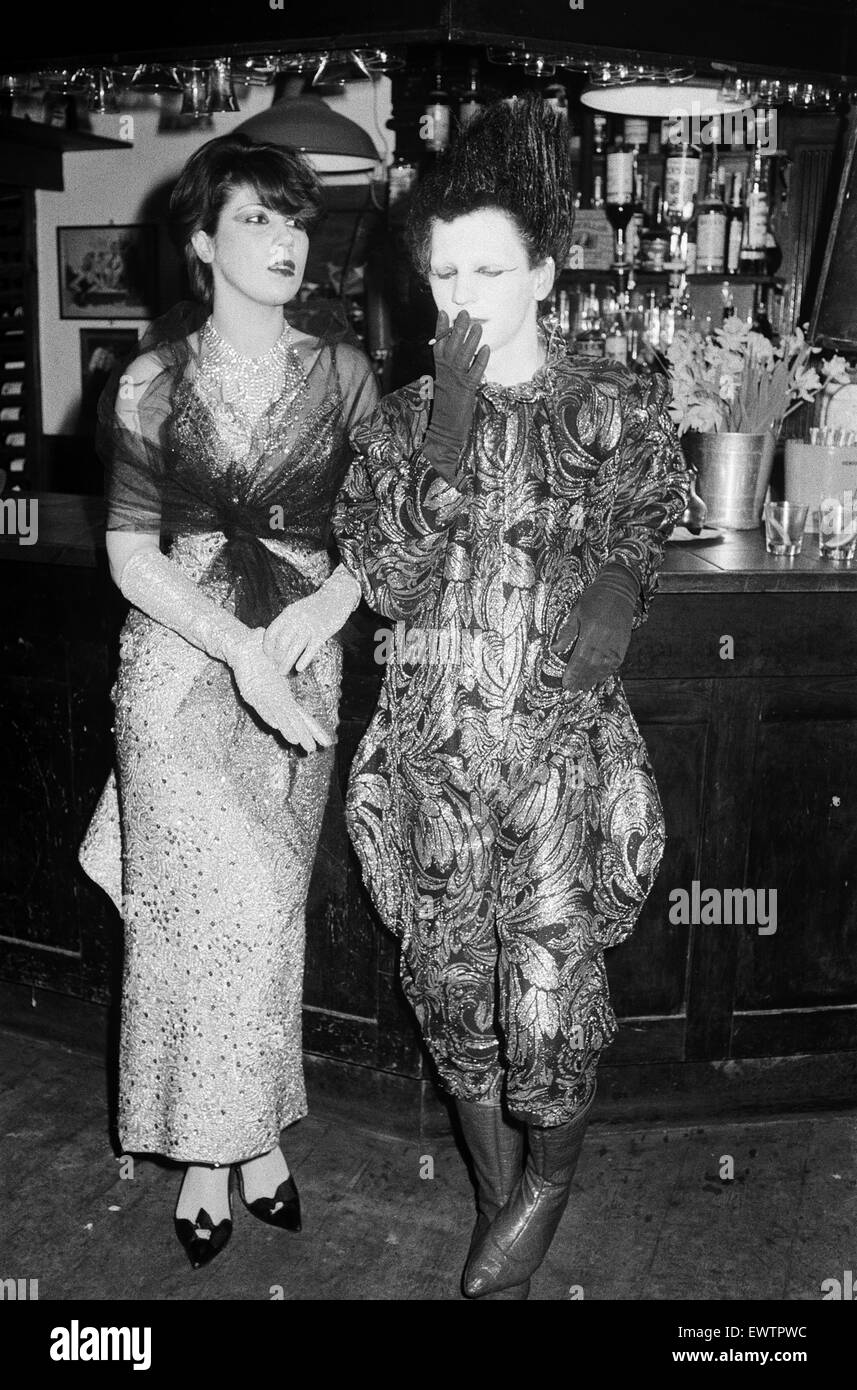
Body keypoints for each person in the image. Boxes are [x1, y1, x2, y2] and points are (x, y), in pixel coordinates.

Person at [332, 96, 689, 1300]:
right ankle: (500, 1197)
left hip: (551, 750)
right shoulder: (396, 422)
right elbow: (383, 575)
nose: (462, 292)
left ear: (541, 271)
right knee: (447, 992)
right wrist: (438, 434)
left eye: (488, 266)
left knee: (544, 995)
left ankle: (542, 1185)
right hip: (431, 749)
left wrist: (623, 588)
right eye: (442, 271)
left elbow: (649, 511)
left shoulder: (612, 403)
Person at [79, 133, 377, 1269]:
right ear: (201, 243)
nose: (285, 238)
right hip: (177, 663)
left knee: (264, 915)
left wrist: (325, 607)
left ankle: (252, 1130)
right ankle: (212, 1152)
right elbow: (125, 553)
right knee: (209, 914)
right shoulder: (153, 379)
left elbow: (374, 542)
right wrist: (236, 649)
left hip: (303, 662)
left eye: (294, 218)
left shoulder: (343, 373)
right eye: (254, 218)